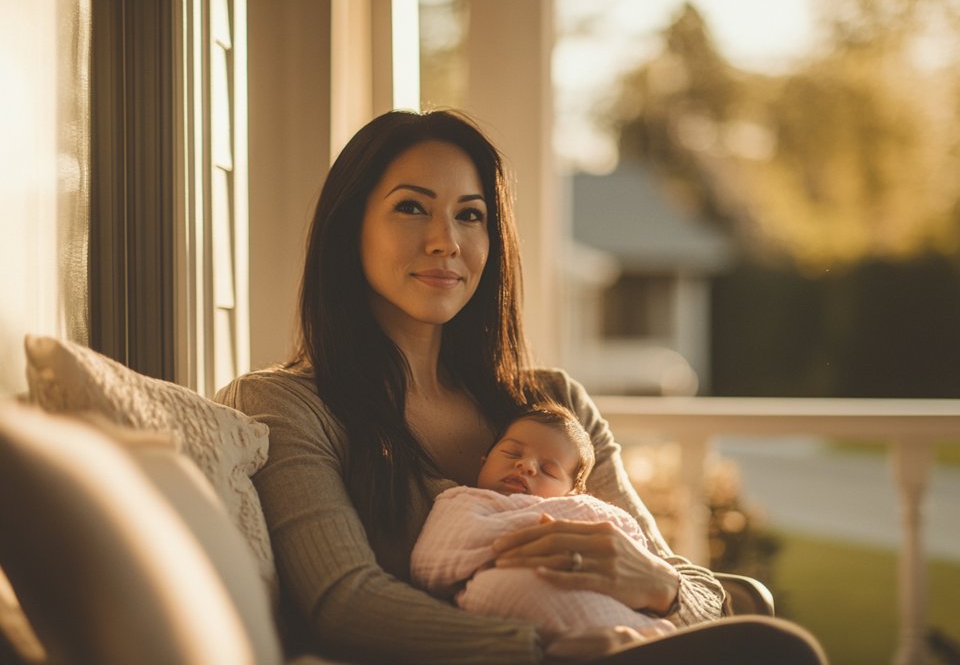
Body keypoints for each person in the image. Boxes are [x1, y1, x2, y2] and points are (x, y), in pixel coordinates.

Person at [215, 109, 827, 664]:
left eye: (470, 215)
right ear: (351, 229)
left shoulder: (555, 404)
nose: (445, 241)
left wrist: (656, 585)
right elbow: (343, 601)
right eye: (411, 207)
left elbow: (697, 592)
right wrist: (545, 646)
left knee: (777, 651)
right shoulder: (287, 405)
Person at [411, 404, 677, 653]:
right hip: (531, 631)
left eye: (548, 470)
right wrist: (521, 534)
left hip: (623, 621)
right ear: (484, 462)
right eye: (512, 454)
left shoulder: (586, 511)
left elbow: (634, 550)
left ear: (570, 493)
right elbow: (429, 564)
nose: (526, 466)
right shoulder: (463, 501)